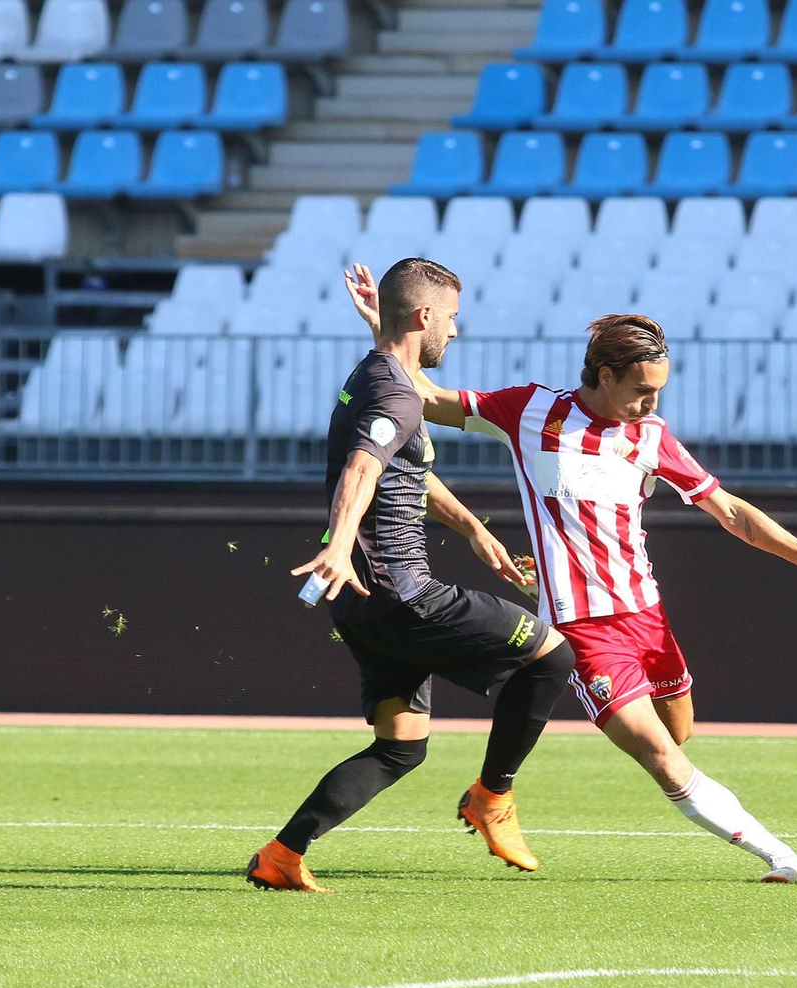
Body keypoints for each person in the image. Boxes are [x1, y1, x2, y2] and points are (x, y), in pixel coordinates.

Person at [344, 265, 797, 883]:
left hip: (647, 615)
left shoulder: (651, 435)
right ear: (605, 375)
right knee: (661, 757)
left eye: (659, 391)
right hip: (583, 627)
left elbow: (731, 513)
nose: (652, 404)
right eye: (642, 390)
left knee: (678, 733)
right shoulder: (530, 411)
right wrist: (388, 332)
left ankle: (494, 792)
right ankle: (783, 858)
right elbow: (425, 396)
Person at [247, 258, 576, 893]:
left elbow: (408, 468)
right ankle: (492, 797)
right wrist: (339, 543)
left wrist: (474, 528)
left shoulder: (381, 373)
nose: (455, 330)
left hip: (362, 600)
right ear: (425, 316)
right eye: (450, 318)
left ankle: (282, 855)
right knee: (552, 655)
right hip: (402, 593)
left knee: (401, 746)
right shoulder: (396, 395)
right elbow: (363, 468)